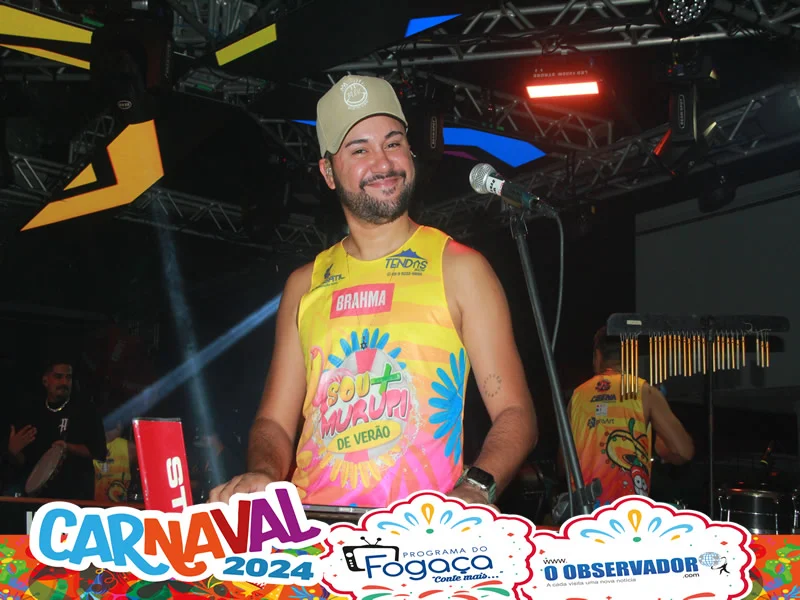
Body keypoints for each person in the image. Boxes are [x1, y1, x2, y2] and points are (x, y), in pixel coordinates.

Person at [211, 75, 538, 508]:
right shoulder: (304, 284)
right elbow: (274, 421)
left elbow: (515, 413)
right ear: (328, 172)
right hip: (316, 529)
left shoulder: (460, 268)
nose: (383, 163)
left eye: (393, 143)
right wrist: (264, 472)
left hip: (420, 530)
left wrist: (476, 488)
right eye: (360, 149)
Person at [558, 327, 694, 510]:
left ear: (598, 355)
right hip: (628, 514)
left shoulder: (577, 396)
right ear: (632, 357)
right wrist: (661, 449)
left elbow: (563, 464)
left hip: (585, 513)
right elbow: (683, 451)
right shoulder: (644, 392)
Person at [10, 359, 107, 501]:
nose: (64, 382)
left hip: (76, 496)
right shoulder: (32, 412)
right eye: (58, 377)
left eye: (68, 378)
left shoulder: (86, 410)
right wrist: (13, 451)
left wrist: (68, 447)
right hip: (39, 497)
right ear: (45, 381)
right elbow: (25, 461)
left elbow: (99, 452)